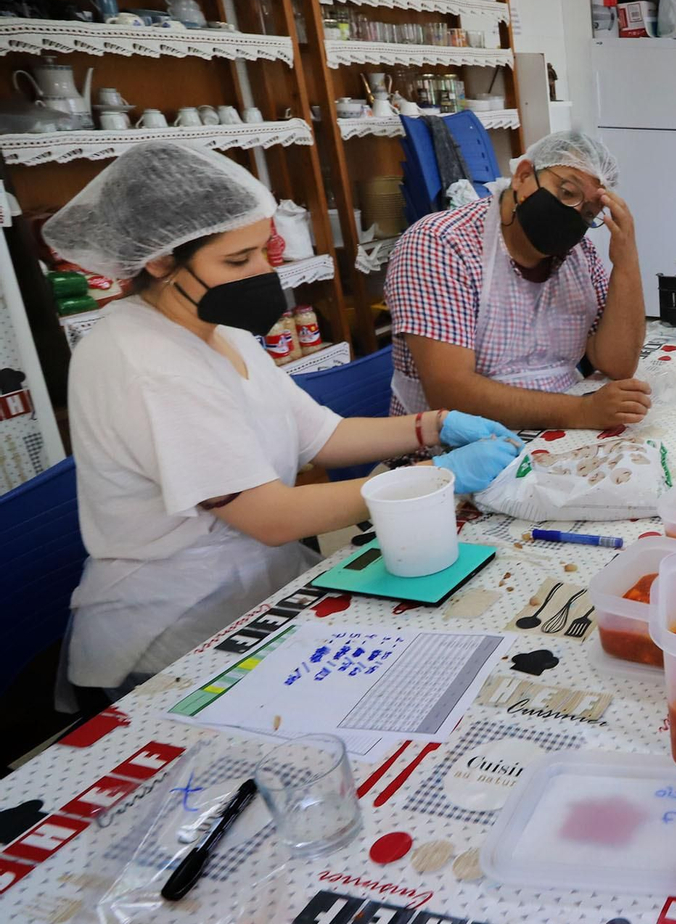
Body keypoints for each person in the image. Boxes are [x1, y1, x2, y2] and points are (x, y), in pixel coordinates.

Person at [43, 142, 521, 694]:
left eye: (263, 251)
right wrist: (438, 479)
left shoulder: (217, 331)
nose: (264, 273)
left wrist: (433, 425)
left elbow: (322, 435)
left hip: (256, 590)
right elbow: (270, 516)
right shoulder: (145, 364)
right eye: (237, 260)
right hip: (174, 631)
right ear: (159, 260)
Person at [386, 130, 651, 431]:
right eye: (567, 193)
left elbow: (618, 363)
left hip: (556, 429)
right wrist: (582, 411)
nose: (575, 213)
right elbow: (450, 393)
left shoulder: (580, 253)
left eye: (589, 212)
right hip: (455, 450)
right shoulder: (440, 244)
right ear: (524, 177)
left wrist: (626, 262)